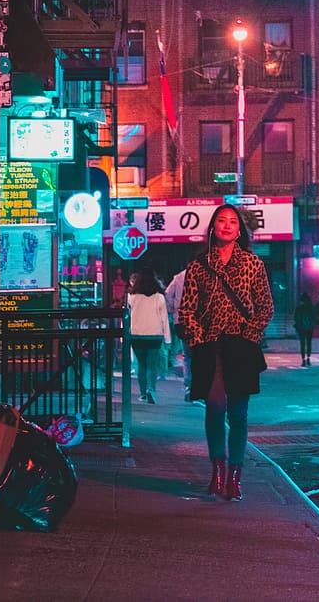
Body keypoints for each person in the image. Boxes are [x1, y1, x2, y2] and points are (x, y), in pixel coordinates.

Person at [176, 204, 274, 502]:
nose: (227, 226)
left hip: (241, 346)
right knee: (215, 410)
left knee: (239, 414)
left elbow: (266, 307)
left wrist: (249, 334)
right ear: (213, 227)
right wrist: (198, 338)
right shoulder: (198, 266)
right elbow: (186, 310)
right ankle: (217, 472)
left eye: (233, 222)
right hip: (210, 347)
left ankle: (235, 476)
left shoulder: (252, 264)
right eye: (222, 221)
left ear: (240, 230)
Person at [127, 267, 170, 405]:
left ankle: (143, 393)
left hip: (137, 334)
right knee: (152, 365)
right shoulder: (159, 297)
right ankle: (152, 389)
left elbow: (128, 318)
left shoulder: (132, 297)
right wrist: (167, 339)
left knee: (141, 365)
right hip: (154, 334)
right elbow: (164, 319)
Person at [164, 267, 192, 397]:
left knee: (188, 355)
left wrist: (173, 309)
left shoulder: (179, 277)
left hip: (182, 319)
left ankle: (189, 385)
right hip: (201, 321)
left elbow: (168, 294)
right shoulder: (207, 275)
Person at [293, 292, 316, 366]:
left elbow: (295, 318)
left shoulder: (299, 308)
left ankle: (303, 360)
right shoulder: (311, 307)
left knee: (302, 343)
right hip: (310, 327)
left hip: (301, 327)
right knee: (309, 343)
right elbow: (314, 317)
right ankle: (308, 359)